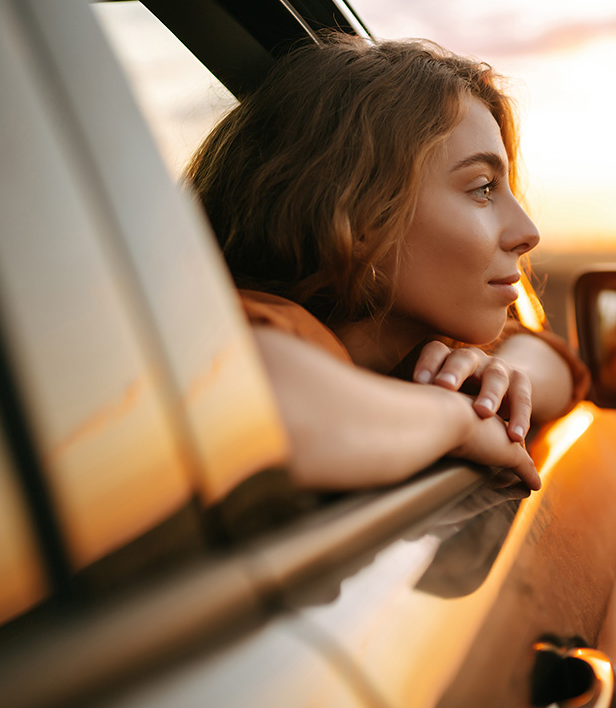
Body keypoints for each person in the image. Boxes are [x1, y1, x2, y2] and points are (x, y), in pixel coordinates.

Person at [186, 34, 589, 491]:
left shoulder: (416, 352)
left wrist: (508, 379)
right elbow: (260, 406)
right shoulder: (273, 327)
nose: (528, 233)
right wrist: (458, 419)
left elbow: (555, 361)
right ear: (359, 217)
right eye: (482, 188)